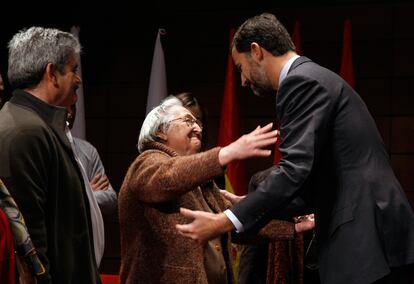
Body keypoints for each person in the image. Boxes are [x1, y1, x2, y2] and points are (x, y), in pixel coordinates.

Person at [176, 13, 414, 284]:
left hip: (366, 238)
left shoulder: (300, 81)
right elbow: (316, 181)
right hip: (373, 235)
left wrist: (224, 221)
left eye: (240, 68)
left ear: (256, 51)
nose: (242, 81)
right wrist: (253, 205)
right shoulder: (314, 77)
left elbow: (293, 172)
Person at [118, 95, 312, 283]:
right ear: (160, 131)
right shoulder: (146, 162)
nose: (197, 127)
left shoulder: (203, 181)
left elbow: (234, 223)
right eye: (187, 120)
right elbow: (168, 177)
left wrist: (291, 227)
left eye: (198, 123)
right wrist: (226, 153)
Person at [0, 27, 100, 283]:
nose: (78, 79)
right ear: (51, 73)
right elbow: (31, 249)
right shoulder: (25, 132)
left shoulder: (37, 126)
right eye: (73, 69)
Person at [67, 103, 118, 217]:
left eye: (73, 107)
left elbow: (111, 199)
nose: (70, 113)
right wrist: (87, 192)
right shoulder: (44, 147)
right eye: (65, 107)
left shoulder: (88, 150)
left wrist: (81, 197)